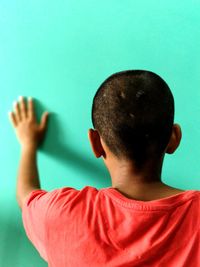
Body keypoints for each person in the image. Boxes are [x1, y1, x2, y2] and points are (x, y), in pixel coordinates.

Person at [9, 70, 199, 267]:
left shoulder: (61, 214)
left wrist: (28, 143)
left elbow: (26, 197)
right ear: (174, 138)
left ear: (95, 143)